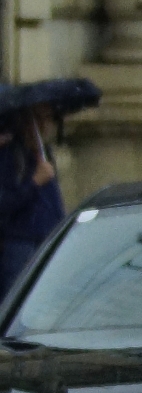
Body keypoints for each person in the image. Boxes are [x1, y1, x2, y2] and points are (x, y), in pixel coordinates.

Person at [0, 108, 64, 293]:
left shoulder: (44, 154)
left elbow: (54, 201)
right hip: (21, 242)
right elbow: (5, 203)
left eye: (47, 119)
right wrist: (34, 182)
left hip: (49, 237)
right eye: (37, 120)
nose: (42, 126)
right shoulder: (9, 155)